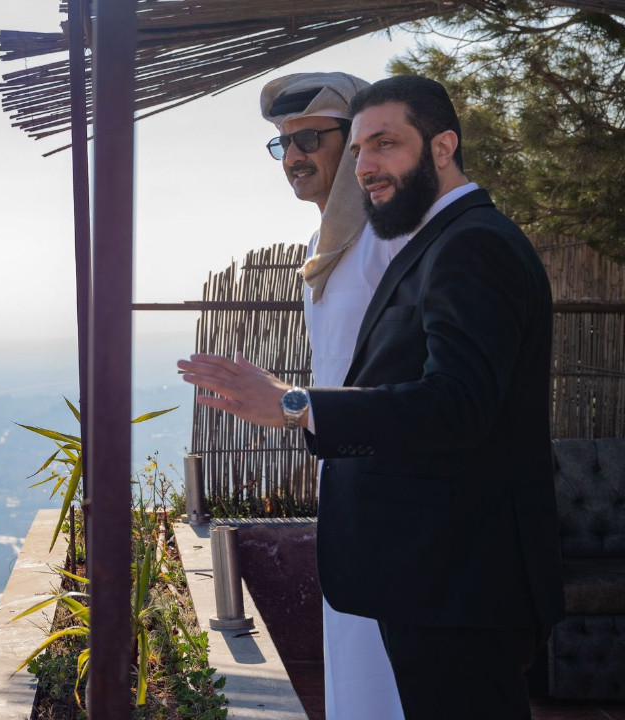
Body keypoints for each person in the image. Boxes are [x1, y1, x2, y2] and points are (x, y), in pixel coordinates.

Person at [180, 75, 563, 719]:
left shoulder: (469, 244)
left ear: (443, 146)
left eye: (385, 143)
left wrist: (298, 406)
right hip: (426, 568)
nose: (366, 165)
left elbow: (459, 404)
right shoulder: (440, 239)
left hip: (458, 572)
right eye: (360, 150)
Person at [260, 71, 405, 720]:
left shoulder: (390, 238)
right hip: (343, 470)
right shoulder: (322, 245)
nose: (293, 156)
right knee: (350, 643)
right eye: (283, 144)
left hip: (396, 479)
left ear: (353, 144)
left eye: (309, 139)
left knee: (389, 657)